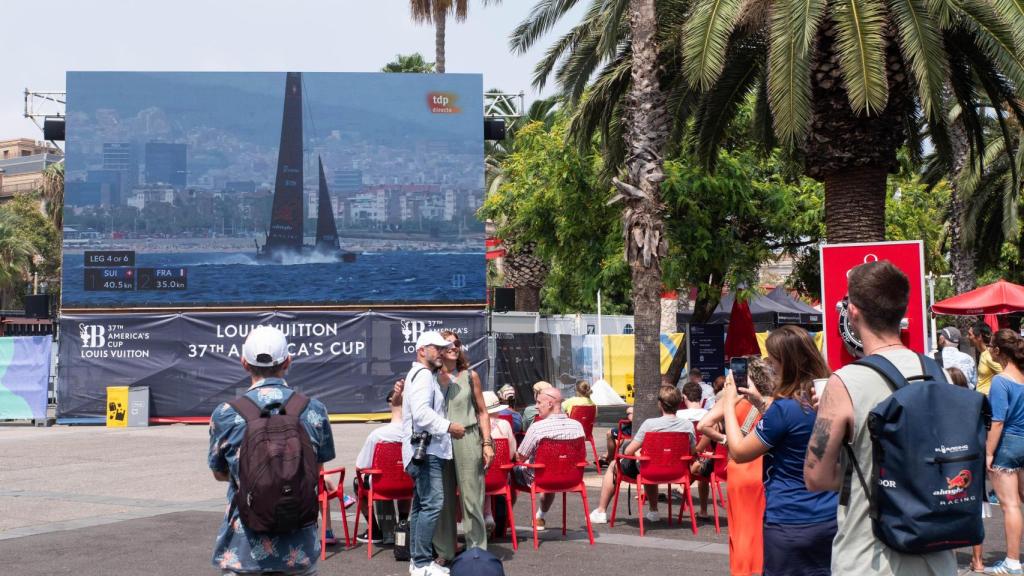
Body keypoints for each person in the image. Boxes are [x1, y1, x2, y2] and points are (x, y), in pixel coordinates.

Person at [805, 260, 957, 575]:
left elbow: (815, 477)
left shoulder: (845, 382)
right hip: (935, 555)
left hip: (871, 556)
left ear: (854, 311)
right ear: (901, 310)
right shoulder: (937, 372)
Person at [208, 326, 335, 576]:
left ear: (244, 363)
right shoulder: (314, 410)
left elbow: (219, 472)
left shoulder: (225, 413)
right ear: (288, 361)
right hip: (298, 547)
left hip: (244, 548)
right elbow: (317, 468)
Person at [723, 326, 836, 575]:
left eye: (772, 360)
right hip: (829, 515)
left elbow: (739, 452)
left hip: (790, 517)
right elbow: (797, 433)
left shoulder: (784, 408)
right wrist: (761, 404)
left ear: (786, 363)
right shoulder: (824, 398)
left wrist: (728, 404)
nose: (770, 365)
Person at [697, 356, 775, 576]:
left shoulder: (732, 400)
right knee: (759, 530)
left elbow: (704, 425)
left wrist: (726, 440)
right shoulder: (770, 400)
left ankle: (741, 570)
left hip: (738, 469)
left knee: (739, 530)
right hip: (762, 467)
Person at [402, 331, 465, 576]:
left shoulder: (421, 375)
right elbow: (421, 414)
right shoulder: (423, 376)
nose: (440, 351)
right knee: (432, 504)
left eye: (442, 347)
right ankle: (421, 563)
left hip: (421, 450)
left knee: (421, 505)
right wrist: (449, 426)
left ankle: (418, 561)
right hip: (427, 451)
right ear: (421, 351)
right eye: (435, 348)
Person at [588, 386, 695, 525]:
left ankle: (601, 511)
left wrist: (637, 450)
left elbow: (627, 452)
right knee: (648, 462)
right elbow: (692, 451)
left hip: (651, 470)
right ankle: (653, 511)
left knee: (615, 465)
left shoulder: (650, 424)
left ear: (660, 404)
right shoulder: (688, 426)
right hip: (677, 471)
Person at [433, 330, 494, 565]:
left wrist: (487, 443)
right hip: (440, 440)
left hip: (467, 438)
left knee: (472, 497)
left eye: (456, 342)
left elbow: (482, 412)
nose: (454, 346)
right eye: (448, 343)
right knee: (443, 499)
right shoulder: (430, 376)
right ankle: (445, 551)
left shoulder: (470, 376)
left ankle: (476, 551)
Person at [512, 387, 584, 530]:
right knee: (551, 468)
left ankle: (502, 520)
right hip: (571, 478)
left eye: (539, 402)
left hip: (540, 478)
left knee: (507, 472)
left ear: (550, 403)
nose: (536, 406)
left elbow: (520, 457)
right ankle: (540, 516)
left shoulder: (537, 428)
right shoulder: (578, 426)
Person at [982, 329, 1024, 575]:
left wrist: (989, 452)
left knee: (1010, 506)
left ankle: (1012, 561)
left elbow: (997, 421)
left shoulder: (1001, 381)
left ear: (998, 351)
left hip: (1008, 445)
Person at [351, 388, 408, 545]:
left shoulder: (377, 435)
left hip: (382, 485)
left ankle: (374, 529)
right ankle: (403, 524)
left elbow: (361, 465)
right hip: (409, 485)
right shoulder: (414, 432)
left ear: (392, 404)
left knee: (358, 483)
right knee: (406, 477)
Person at [482, 390, 518, 533]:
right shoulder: (505, 424)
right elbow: (511, 452)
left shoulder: (473, 425)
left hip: (479, 476)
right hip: (501, 478)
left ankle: (483, 515)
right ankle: (489, 514)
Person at [969, 322, 1002, 395]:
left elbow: (1005, 375)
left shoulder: (988, 355)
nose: (967, 337)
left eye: (970, 334)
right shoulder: (984, 353)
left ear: (979, 337)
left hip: (987, 399)